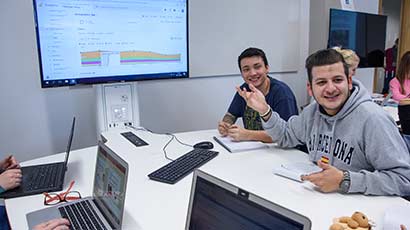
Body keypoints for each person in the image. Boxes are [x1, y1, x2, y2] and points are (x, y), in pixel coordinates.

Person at [236, 48, 410, 196]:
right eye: (321, 82)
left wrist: (346, 180)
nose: (331, 88)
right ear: (310, 88)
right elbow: (286, 136)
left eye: (337, 80)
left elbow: (404, 179)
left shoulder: (373, 120)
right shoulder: (312, 112)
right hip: (319, 201)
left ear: (349, 81)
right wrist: (264, 111)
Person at [218, 47, 298, 143]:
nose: (252, 73)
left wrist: (247, 135)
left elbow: (286, 135)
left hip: (280, 151)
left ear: (267, 68)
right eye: (246, 69)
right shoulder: (244, 89)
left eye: (257, 67)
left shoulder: (282, 93)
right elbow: (231, 115)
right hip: (255, 149)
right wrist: (226, 124)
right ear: (241, 73)